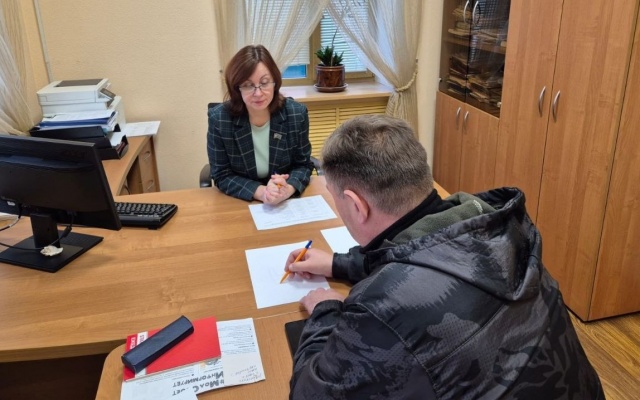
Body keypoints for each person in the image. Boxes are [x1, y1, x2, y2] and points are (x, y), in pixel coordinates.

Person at [284, 115, 604, 399]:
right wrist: (338, 263)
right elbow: (426, 252)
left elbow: (309, 394)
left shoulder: (381, 308)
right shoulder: (501, 226)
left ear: (356, 205)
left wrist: (325, 310)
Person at [207, 45, 313, 204]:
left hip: (285, 201)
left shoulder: (296, 114)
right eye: (248, 85)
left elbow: (303, 165)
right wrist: (263, 192)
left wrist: (287, 189)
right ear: (237, 88)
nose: (258, 93)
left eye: (264, 83)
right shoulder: (220, 119)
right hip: (241, 201)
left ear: (275, 82)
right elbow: (221, 174)